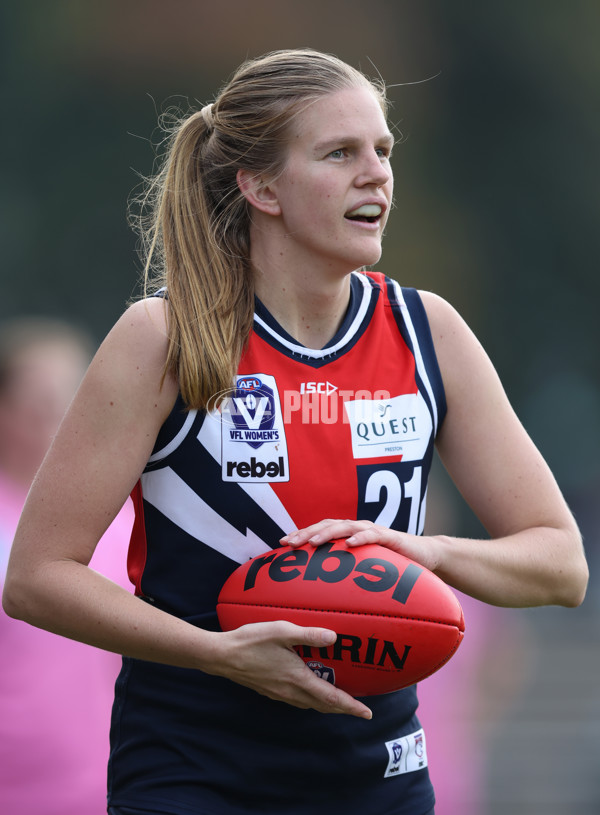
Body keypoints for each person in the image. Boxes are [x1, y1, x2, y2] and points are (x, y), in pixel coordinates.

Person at [2, 49, 588, 815]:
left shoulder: (427, 332)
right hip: (195, 773)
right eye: (339, 153)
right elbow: (37, 575)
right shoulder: (164, 338)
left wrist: (430, 552)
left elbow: (560, 563)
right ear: (261, 185)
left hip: (380, 776)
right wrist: (220, 654)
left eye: (382, 150)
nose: (376, 173)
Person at [0, 318, 133, 815]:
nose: (55, 416)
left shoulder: (124, 517)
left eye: (69, 399)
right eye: (39, 401)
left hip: (110, 787)